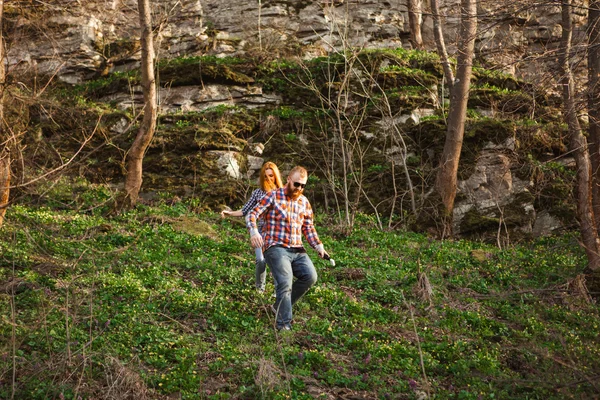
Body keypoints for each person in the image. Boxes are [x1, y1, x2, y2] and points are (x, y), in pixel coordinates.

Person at [246, 166, 330, 331]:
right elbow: (252, 214)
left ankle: (279, 307)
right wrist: (254, 232)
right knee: (285, 282)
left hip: (297, 249)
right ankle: (283, 326)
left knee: (310, 277)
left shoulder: (304, 202)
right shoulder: (273, 196)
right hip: (275, 247)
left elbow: (308, 227)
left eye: (303, 186)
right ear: (289, 180)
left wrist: (318, 246)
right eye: (297, 184)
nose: (299, 188)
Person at [221, 161, 283, 292]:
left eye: (271, 176)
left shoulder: (282, 194)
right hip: (259, 232)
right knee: (261, 260)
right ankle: (260, 291)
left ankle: (279, 293)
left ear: (276, 176)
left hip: (276, 233)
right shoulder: (257, 193)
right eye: (266, 176)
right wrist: (230, 213)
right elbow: (245, 210)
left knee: (277, 263)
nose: (269, 179)